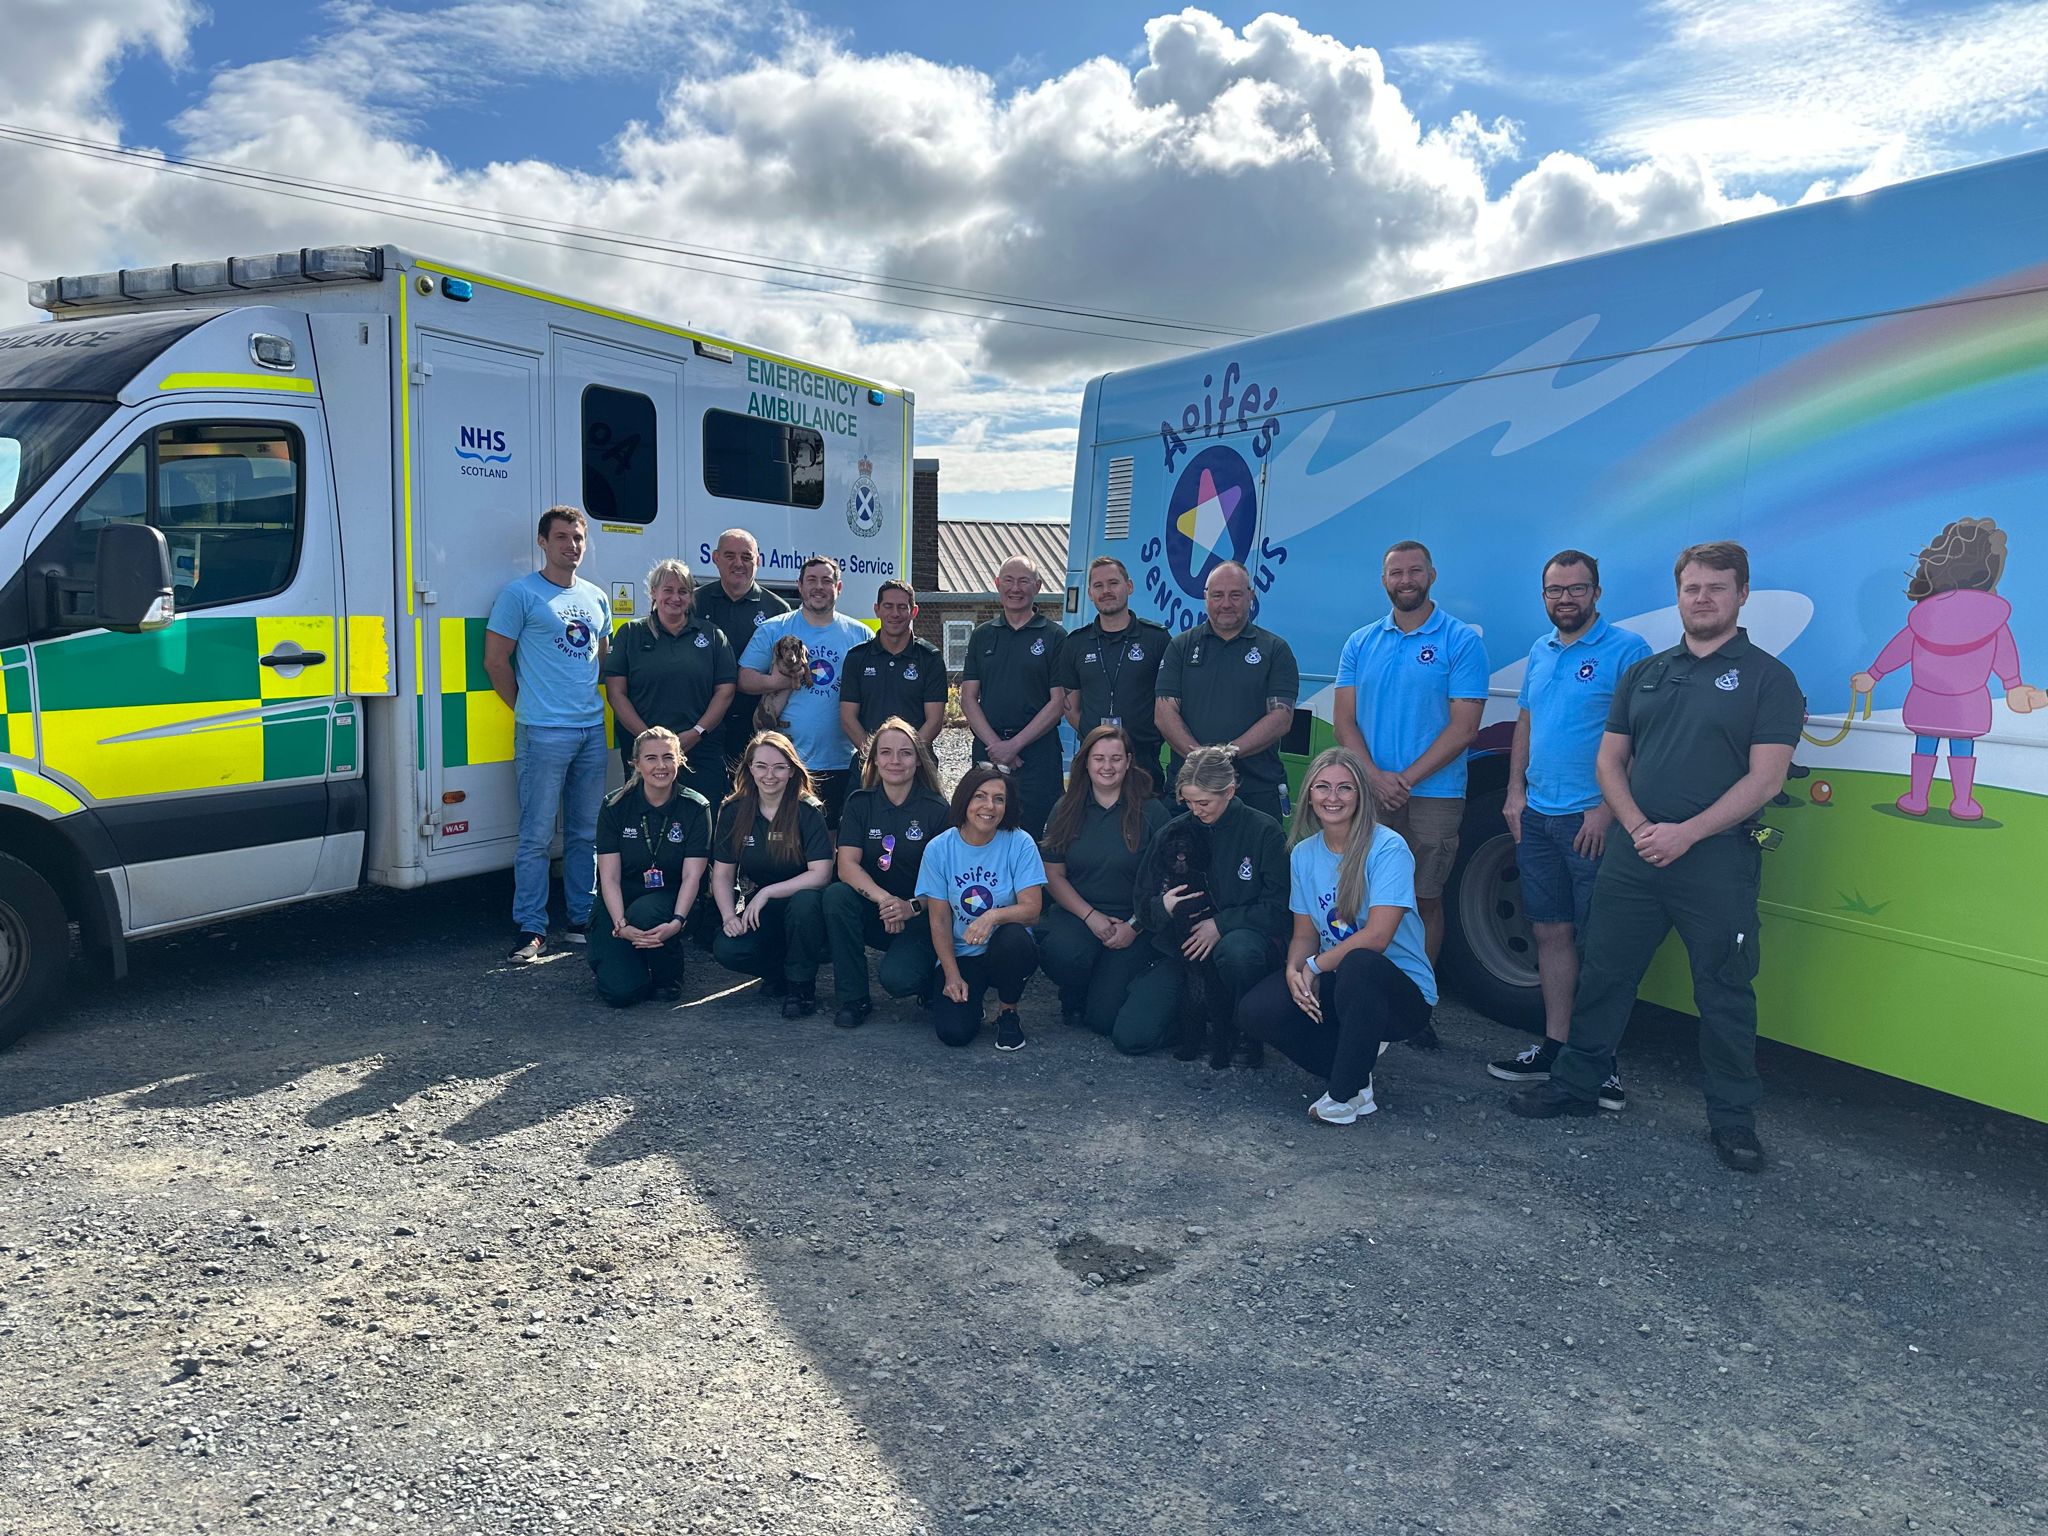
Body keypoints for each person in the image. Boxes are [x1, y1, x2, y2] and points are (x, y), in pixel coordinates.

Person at [1508, 542, 1804, 1174]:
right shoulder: (1645, 673)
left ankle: (1732, 1121)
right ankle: (1577, 1086)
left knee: (1724, 991)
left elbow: (1766, 780)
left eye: (1717, 588)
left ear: (1742, 594)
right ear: (1678, 594)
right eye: (1692, 588)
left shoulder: (1767, 678)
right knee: (1606, 973)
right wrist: (1639, 826)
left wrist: (1686, 833)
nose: (1702, 598)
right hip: (1635, 854)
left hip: (1716, 860)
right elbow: (1610, 759)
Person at [1491, 550, 1652, 1107]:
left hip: (1592, 820)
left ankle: (1600, 1062)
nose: (1565, 599)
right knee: (1550, 934)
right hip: (1538, 817)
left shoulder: (1627, 651)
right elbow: (1527, 722)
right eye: (1555, 590)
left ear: (1597, 593)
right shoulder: (1541, 650)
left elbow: (1640, 737)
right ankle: (1557, 1047)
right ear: (1544, 596)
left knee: (1600, 944)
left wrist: (1609, 810)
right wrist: (1515, 793)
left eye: (1576, 589)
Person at [1235, 746, 1437, 1122]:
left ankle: (1346, 1094)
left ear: (1360, 795)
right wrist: (1296, 973)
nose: (1333, 797)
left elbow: (1377, 937)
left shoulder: (1389, 848)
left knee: (1360, 963)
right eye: (1323, 787)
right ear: (1308, 794)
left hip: (1399, 993)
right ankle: (1356, 1068)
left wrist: (1314, 966)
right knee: (1256, 1011)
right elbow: (1304, 934)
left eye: (1345, 788)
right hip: (1335, 978)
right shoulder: (1303, 854)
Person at [1334, 541, 1488, 971]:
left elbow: (1465, 728)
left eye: (1415, 571)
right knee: (1361, 894)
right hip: (1369, 791)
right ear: (1384, 580)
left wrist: (1404, 779)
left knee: (1424, 899)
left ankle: (1418, 999)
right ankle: (1362, 987)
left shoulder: (1460, 641)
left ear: (1431, 576)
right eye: (1396, 573)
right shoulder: (1360, 642)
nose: (1406, 581)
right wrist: (1375, 777)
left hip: (1435, 794)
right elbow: (1345, 722)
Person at [484, 506, 612, 962]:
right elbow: (496, 662)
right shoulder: (520, 595)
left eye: (578, 537)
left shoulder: (596, 598)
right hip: (542, 733)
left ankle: (581, 919)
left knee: (585, 835)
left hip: (591, 731)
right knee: (536, 837)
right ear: (542, 542)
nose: (571, 545)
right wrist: (529, 710)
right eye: (561, 537)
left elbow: (600, 661)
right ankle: (532, 928)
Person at [1119, 746, 1290, 1061]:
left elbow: (1279, 909)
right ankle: (1195, 1021)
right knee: (1132, 1035)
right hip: (1182, 952)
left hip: (1240, 943)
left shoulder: (1263, 831)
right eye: (1188, 801)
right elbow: (1143, 902)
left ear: (1229, 791)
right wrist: (1164, 907)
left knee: (1238, 953)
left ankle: (1246, 1024)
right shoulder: (1174, 831)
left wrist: (1220, 925)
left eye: (1204, 802)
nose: (1196, 810)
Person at [1036, 725, 1172, 1047]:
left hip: (1133, 921)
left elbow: (1167, 881)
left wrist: (1136, 926)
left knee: (1102, 1020)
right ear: (1085, 763)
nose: (1107, 767)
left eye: (1115, 758)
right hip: (1078, 914)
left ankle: (1118, 988)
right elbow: (1053, 876)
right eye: (1099, 758)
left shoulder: (1152, 811)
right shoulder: (1065, 808)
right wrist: (1090, 917)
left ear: (1128, 762)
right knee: (1062, 952)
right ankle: (1076, 989)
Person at [822, 718, 951, 1029]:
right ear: (874, 759)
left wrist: (910, 907)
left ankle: (932, 976)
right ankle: (854, 998)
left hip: (922, 916)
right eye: (886, 752)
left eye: (905, 753)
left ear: (919, 760)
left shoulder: (937, 810)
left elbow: (947, 882)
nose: (895, 761)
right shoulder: (860, 803)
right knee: (836, 895)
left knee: (898, 979)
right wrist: (886, 901)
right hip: (880, 910)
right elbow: (847, 865)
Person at [1154, 561, 1299, 825]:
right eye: (1217, 595)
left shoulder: (1275, 649)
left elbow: (1281, 717)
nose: (1226, 603)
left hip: (1255, 790)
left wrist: (1227, 754)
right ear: (1205, 596)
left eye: (1235, 594)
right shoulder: (1181, 647)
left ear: (1250, 596)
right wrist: (1200, 759)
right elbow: (1164, 713)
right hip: (1190, 790)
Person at [915, 765, 1046, 1050]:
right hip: (963, 953)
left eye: (999, 799)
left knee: (1014, 938)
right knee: (954, 1034)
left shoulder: (1020, 843)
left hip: (1004, 948)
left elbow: (1032, 910)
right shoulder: (939, 849)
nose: (989, 806)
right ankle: (972, 1003)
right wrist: (951, 975)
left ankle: (1007, 1011)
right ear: (965, 800)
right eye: (980, 796)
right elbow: (939, 920)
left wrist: (993, 916)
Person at [737, 556, 874, 828]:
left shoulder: (862, 634)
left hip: (841, 758)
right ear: (799, 586)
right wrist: (779, 682)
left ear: (839, 588)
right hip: (785, 760)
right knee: (785, 834)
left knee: (833, 833)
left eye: (827, 581)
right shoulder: (775, 628)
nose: (819, 587)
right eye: (811, 580)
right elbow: (745, 679)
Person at [710, 730, 834, 1017]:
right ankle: (779, 972)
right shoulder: (733, 810)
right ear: (749, 769)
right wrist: (729, 916)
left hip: (805, 905)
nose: (770, 775)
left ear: (791, 771)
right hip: (760, 907)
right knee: (728, 948)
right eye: (761, 766)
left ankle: (801, 988)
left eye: (779, 767)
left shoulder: (808, 811)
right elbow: (723, 874)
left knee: (804, 904)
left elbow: (821, 873)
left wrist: (767, 892)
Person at [589, 727, 713, 1007]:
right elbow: (608, 878)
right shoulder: (615, 806)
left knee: (645, 913)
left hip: (671, 900)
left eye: (668, 757)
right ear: (636, 764)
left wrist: (677, 922)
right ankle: (632, 961)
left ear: (680, 760)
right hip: (620, 900)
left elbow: (693, 876)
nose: (661, 766)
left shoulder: (695, 806)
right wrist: (620, 925)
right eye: (651, 758)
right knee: (621, 992)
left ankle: (667, 976)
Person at [601, 558, 737, 809]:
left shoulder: (711, 635)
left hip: (700, 749)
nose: (675, 597)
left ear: (691, 596)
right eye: (668, 590)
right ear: (653, 592)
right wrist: (649, 740)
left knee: (703, 821)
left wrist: (697, 732)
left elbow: (725, 692)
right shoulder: (630, 633)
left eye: (683, 591)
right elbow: (616, 693)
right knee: (645, 822)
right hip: (645, 752)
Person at [959, 556, 1067, 837]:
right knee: (985, 828)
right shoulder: (982, 636)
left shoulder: (1055, 635)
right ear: (997, 584)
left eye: (1024, 581)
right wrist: (997, 746)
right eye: (1008, 580)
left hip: (1038, 754)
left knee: (1037, 835)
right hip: (989, 751)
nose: (1015, 588)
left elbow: (1057, 703)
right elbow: (968, 698)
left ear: (1038, 586)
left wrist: (1015, 745)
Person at [1057, 556, 1171, 777]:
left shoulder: (1156, 639)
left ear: (1128, 586)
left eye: (1113, 583)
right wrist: (1095, 736)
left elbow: (1168, 703)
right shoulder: (1075, 643)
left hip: (1143, 758)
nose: (1106, 590)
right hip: (1095, 758)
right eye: (1098, 586)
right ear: (1090, 593)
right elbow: (1070, 706)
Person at [696, 528, 791, 785]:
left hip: (755, 723)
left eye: (747, 557)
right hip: (703, 722)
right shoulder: (695, 603)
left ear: (758, 561)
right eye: (729, 555)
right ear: (715, 558)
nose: (739, 563)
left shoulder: (777, 610)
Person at [840, 580, 948, 752]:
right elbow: (848, 717)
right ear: (877, 610)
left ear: (914, 611)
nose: (895, 613)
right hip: (868, 761)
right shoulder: (857, 658)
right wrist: (875, 756)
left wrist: (908, 755)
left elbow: (934, 721)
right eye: (888, 606)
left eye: (902, 607)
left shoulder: (930, 658)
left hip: (917, 763)